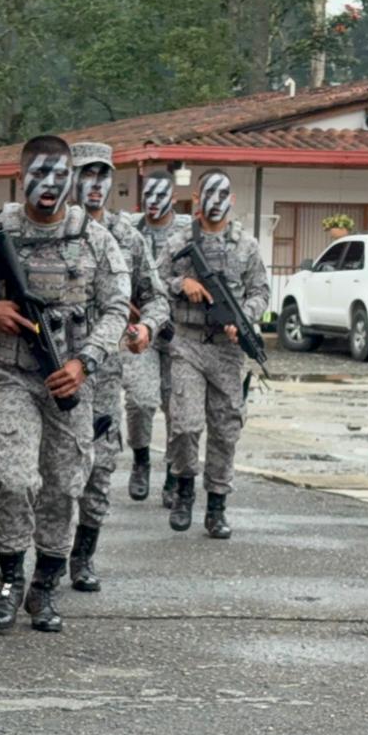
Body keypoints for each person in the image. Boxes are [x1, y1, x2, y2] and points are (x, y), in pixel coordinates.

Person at [0, 135, 130, 634]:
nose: (49, 186)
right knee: (15, 479)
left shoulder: (94, 238)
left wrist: (86, 361)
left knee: (66, 485)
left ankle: (44, 585)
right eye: (39, 175)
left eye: (59, 175)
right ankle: (8, 582)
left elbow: (115, 308)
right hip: (14, 376)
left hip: (71, 381)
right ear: (20, 177)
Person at [64, 142, 171, 592]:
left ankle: (82, 556)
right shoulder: (50, 228)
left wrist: (147, 326)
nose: (96, 185)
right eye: (87, 175)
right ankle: (35, 557)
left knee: (101, 467)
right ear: (70, 178)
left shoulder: (127, 237)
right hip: (52, 367)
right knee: (49, 471)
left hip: (104, 373)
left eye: (103, 176)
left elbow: (157, 296)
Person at [159, 168, 269, 538]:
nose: (217, 202)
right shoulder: (178, 242)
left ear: (233, 200)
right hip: (187, 342)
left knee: (226, 429)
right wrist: (181, 283)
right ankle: (184, 487)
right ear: (197, 199)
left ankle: (217, 504)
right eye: (210, 194)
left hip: (227, 350)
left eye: (224, 195)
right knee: (186, 424)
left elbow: (260, 292)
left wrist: (246, 319)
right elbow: (152, 283)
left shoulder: (245, 245)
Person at [130, 170, 192, 508]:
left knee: (177, 407)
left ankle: (172, 472)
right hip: (141, 329)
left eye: (160, 195)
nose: (153, 203)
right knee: (140, 400)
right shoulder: (130, 229)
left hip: (180, 330)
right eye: (148, 195)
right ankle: (141, 459)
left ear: (173, 196)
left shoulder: (188, 233)